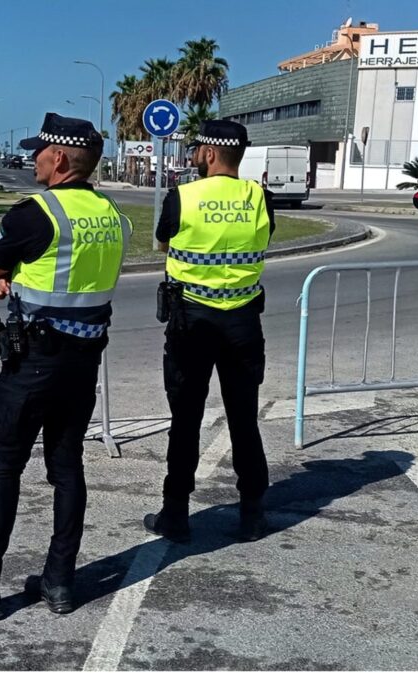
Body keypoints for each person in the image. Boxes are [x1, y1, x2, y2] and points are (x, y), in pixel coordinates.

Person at [0, 113, 132, 620]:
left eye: (40, 152)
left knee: (2, 471)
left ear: (61, 159)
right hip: (83, 366)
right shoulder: (113, 215)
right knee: (67, 469)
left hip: (33, 366)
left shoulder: (35, 212)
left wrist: (5, 279)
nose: (34, 159)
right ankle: (60, 583)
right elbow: (69, 280)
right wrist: (17, 281)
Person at [146, 119, 275, 544]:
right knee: (243, 418)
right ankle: (253, 513)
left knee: (186, 418)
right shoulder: (260, 197)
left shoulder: (182, 196)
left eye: (198, 147)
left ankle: (176, 514)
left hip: (192, 321)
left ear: (210, 153)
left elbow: (165, 242)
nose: (194, 153)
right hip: (242, 322)